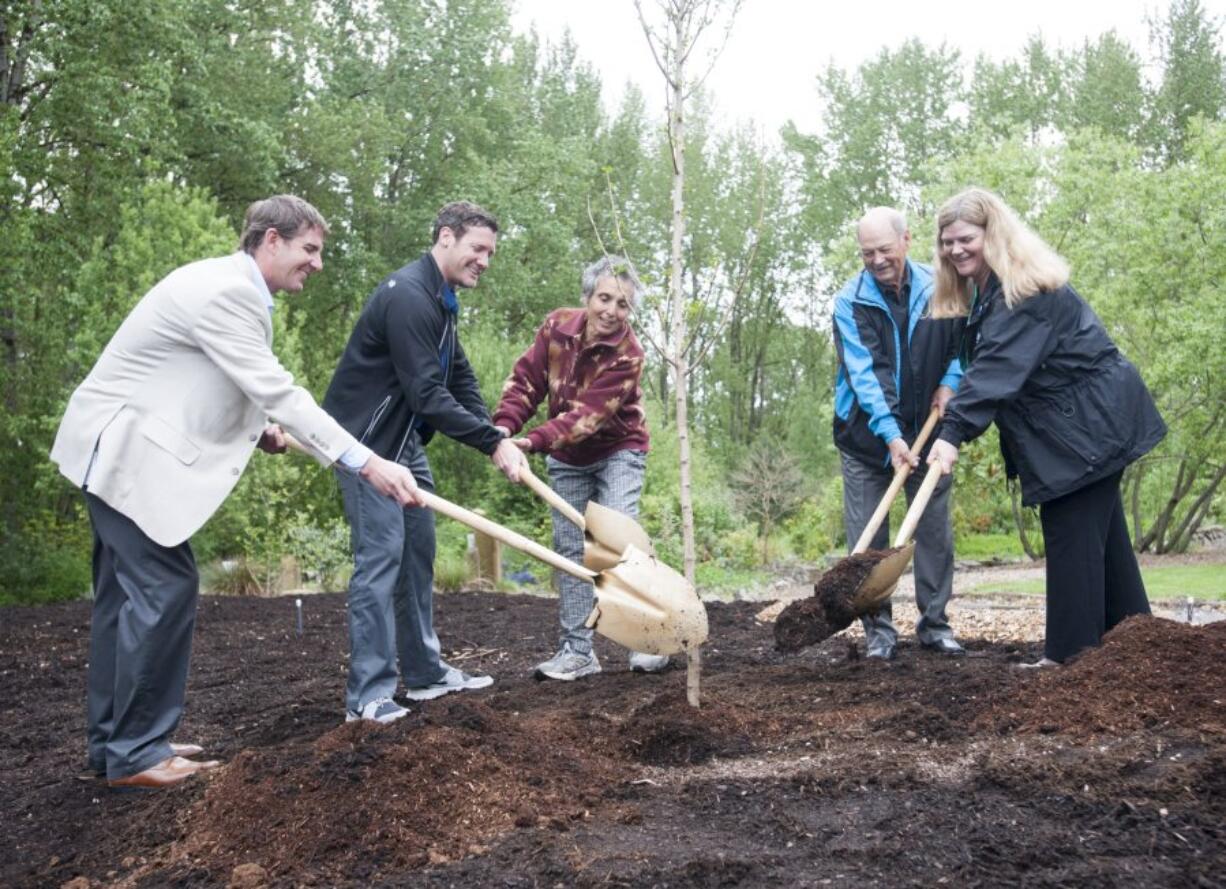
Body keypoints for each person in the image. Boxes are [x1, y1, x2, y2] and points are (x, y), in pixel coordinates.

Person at [50, 195, 424, 789]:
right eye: (310, 249)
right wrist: (365, 460)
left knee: (122, 601)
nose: (318, 264)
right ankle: (139, 751)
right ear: (270, 241)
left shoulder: (225, 285)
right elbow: (277, 388)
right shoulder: (227, 292)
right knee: (165, 588)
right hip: (125, 456)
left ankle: (114, 743)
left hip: (109, 446)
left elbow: (201, 379)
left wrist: (257, 432)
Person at [926, 187, 1166, 668]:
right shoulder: (995, 293)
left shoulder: (1022, 295)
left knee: (1071, 532)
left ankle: (1070, 659)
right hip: (1086, 427)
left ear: (993, 235)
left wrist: (951, 434)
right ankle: (1138, 648)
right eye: (947, 242)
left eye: (965, 238)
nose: (955, 250)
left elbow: (996, 371)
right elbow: (989, 366)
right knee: (1106, 542)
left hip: (1086, 430)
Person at [323, 201, 525, 723]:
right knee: (381, 562)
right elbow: (428, 394)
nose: (485, 260)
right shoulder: (409, 297)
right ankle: (368, 697)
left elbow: (458, 378)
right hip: (366, 446)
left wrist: (495, 433)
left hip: (403, 444)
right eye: (477, 248)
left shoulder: (441, 300)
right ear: (445, 238)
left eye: (491, 253)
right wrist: (488, 443)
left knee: (418, 552)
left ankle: (426, 673)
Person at [491, 256, 665, 680]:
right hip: (567, 458)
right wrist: (500, 429)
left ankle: (647, 640)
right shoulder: (556, 328)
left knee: (619, 543)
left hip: (618, 450)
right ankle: (577, 651)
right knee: (569, 550)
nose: (611, 311)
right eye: (604, 298)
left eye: (623, 304)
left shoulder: (629, 355)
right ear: (587, 297)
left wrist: (528, 441)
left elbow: (588, 417)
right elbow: (526, 381)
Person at [832, 207, 966, 660]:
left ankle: (935, 626)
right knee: (869, 544)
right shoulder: (849, 303)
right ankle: (879, 636)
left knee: (932, 534)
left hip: (930, 432)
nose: (876, 259)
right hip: (868, 440)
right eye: (867, 252)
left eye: (884, 249)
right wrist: (890, 435)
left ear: (906, 240)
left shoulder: (941, 288)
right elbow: (865, 376)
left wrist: (951, 380)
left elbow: (963, 346)